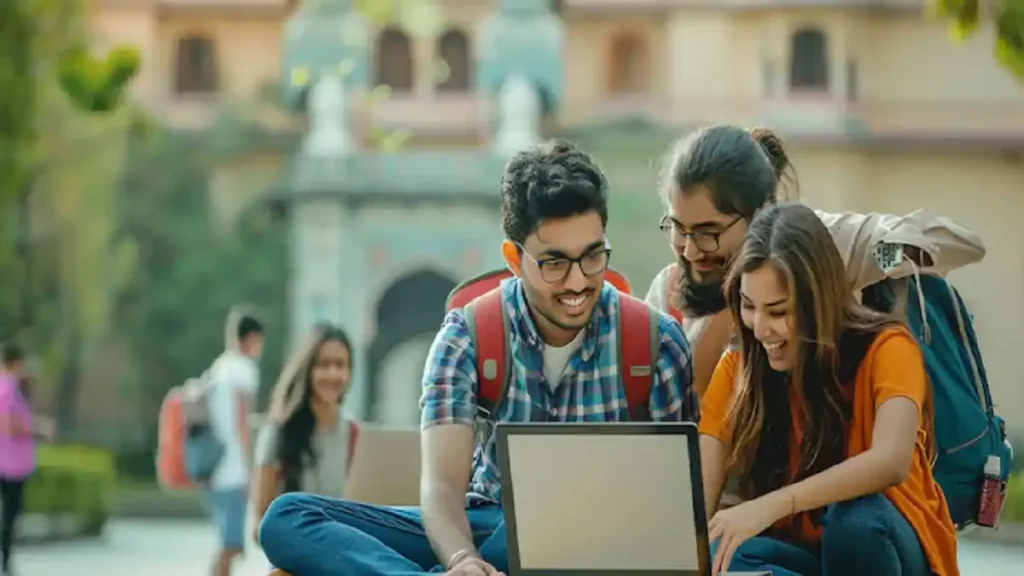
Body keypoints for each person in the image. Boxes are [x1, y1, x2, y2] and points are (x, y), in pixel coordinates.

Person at [258, 140, 698, 575]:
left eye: (592, 256)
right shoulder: (466, 337)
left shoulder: (655, 344)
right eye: (554, 263)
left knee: (537, 527)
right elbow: (443, 489)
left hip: (598, 539)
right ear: (513, 258)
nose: (578, 282)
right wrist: (461, 559)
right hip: (482, 522)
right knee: (288, 518)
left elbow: (674, 505)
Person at [698, 202, 958, 576]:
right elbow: (700, 508)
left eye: (778, 311)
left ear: (818, 302)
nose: (760, 327)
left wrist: (774, 504)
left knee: (853, 523)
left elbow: (891, 462)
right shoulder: (738, 370)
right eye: (749, 306)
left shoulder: (888, 348)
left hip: (888, 550)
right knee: (724, 550)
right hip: (806, 557)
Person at [645, 125, 986, 397]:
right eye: (678, 228)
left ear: (762, 211)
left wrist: (883, 258)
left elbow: (962, 243)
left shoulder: (820, 245)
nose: (690, 250)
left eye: (709, 232)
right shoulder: (668, 294)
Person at [251, 324, 355, 540]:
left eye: (340, 365)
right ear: (307, 370)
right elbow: (258, 525)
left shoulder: (356, 435)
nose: (333, 373)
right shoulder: (278, 435)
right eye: (323, 365)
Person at [206, 310, 264, 576]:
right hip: (233, 467)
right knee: (231, 545)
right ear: (251, 338)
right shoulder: (243, 370)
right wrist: (250, 466)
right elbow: (244, 421)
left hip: (215, 466)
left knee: (227, 542)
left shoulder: (220, 366)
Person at [0, 345, 32, 576]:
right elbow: (7, 424)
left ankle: (6, 558)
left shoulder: (12, 388)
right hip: (8, 463)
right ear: (16, 362)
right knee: (11, 513)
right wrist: (36, 428)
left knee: (11, 513)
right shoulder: (7, 389)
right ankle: (5, 558)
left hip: (11, 462)